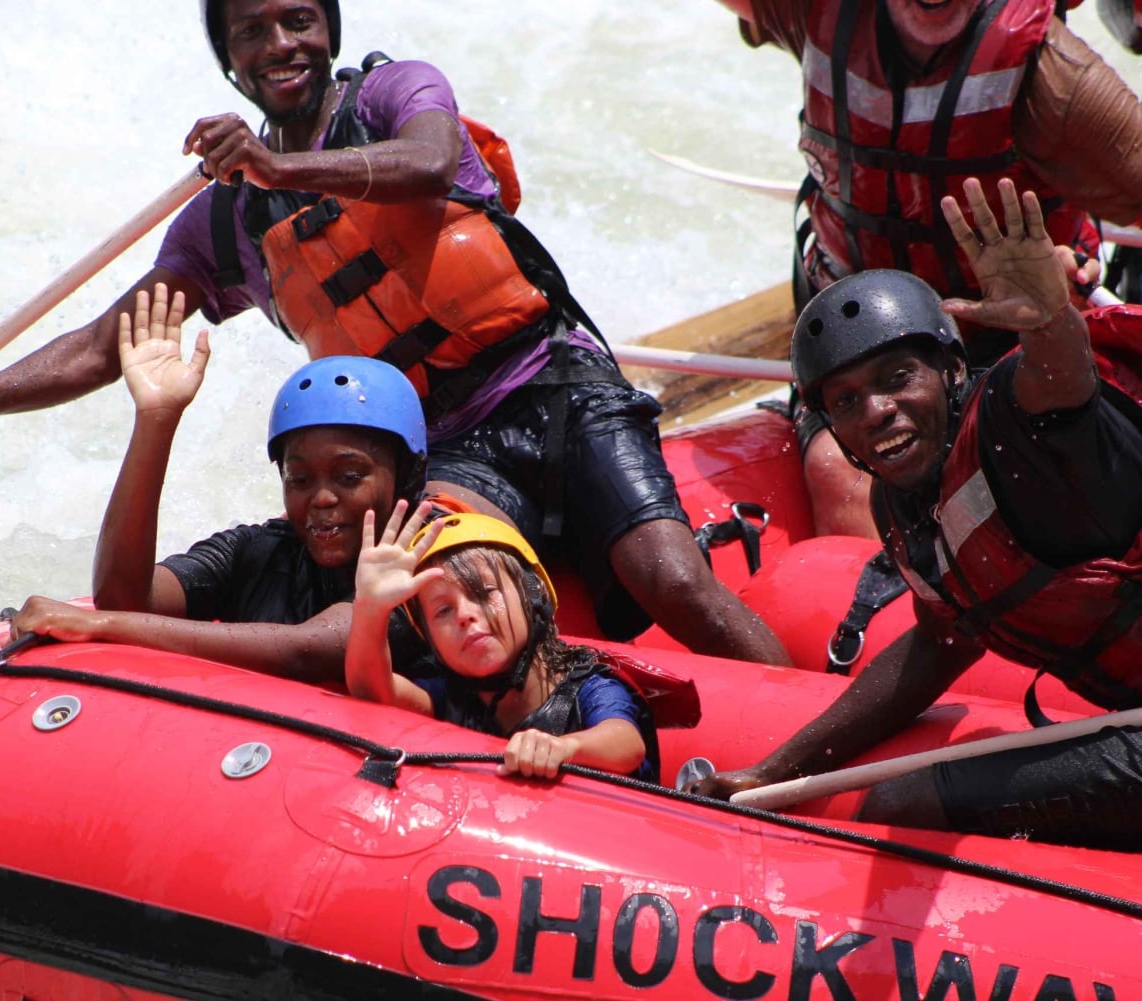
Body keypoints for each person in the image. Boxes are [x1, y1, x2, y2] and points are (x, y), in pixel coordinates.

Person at [0, 0, 790, 666]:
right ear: (229, 62)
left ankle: (815, 740)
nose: (281, 45)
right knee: (442, 600)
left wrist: (280, 165)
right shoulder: (225, 221)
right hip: (443, 450)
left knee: (669, 578)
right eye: (252, 33)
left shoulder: (394, 95)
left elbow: (430, 161)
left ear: (330, 31)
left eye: (299, 21)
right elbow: (112, 340)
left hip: (555, 381)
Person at [693, 177, 1142, 850]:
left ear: (952, 372)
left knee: (903, 804)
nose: (876, 411)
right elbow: (941, 641)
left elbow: (1062, 385)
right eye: (845, 401)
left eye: (897, 378)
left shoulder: (1017, 432)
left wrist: (1050, 321)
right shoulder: (903, 503)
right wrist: (772, 773)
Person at [712, 0, 1142, 537]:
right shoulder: (813, 9)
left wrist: (1055, 300)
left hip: (1008, 346)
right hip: (849, 351)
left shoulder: (1055, 75)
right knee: (838, 473)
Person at [8, 283, 435, 681]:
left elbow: (309, 649)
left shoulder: (431, 564)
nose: (321, 498)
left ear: (406, 475)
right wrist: (156, 420)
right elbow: (126, 599)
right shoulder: (261, 552)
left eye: (349, 476)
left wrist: (102, 626)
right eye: (299, 478)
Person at [347, 505, 654, 781]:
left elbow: (626, 743)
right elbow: (374, 690)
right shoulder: (450, 696)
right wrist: (371, 609)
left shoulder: (589, 687)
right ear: (429, 638)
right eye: (443, 611)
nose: (464, 615)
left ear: (535, 594)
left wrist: (564, 747)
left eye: (483, 593)